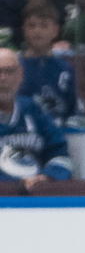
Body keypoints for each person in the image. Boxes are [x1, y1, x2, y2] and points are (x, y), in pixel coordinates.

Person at [0, 44, 68, 188]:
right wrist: (12, 185)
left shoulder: (33, 110)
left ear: (20, 76)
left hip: (35, 200)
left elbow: (60, 154)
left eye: (9, 71)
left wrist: (48, 176)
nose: (3, 78)